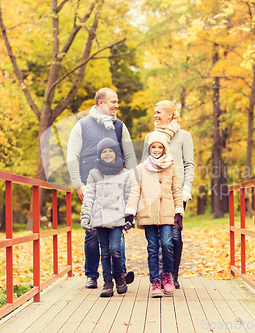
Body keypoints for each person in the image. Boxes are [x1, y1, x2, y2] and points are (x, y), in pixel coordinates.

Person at [67, 88, 137, 289]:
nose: (117, 105)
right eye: (113, 101)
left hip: (117, 186)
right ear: (100, 103)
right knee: (93, 232)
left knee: (117, 227)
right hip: (92, 185)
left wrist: (133, 183)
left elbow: (130, 156)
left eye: (117, 102)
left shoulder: (120, 127)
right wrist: (78, 184)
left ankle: (119, 273)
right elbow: (72, 156)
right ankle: (92, 274)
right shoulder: (81, 126)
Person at [142, 100, 194, 289]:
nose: (155, 116)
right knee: (156, 239)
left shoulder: (184, 136)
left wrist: (187, 187)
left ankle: (172, 274)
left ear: (170, 114)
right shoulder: (151, 137)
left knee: (174, 236)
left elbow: (189, 164)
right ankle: (159, 276)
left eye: (158, 112)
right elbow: (144, 165)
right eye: (154, 112)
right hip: (155, 194)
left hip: (176, 193)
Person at [125, 132, 184, 297]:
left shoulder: (172, 168)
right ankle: (155, 282)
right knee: (152, 248)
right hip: (148, 213)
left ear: (165, 148)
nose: (156, 150)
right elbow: (134, 191)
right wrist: (130, 212)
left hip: (167, 213)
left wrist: (178, 212)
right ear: (149, 149)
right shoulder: (141, 168)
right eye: (153, 147)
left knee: (167, 244)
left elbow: (177, 191)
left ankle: (167, 276)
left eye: (160, 147)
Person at [80, 138, 133, 297]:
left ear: (116, 153)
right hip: (100, 218)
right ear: (100, 155)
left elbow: (128, 196)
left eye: (110, 150)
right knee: (104, 252)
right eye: (104, 151)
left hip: (117, 218)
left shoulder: (125, 174)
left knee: (115, 249)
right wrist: (85, 215)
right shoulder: (94, 173)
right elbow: (89, 195)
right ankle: (108, 282)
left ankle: (119, 276)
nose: (107, 153)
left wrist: (130, 217)